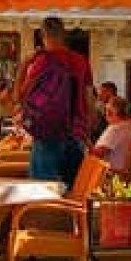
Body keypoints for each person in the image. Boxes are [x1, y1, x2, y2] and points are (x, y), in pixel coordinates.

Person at [21, 14, 93, 187]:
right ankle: (69, 215)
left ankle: (48, 214)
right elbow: (89, 98)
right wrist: (87, 130)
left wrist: (24, 65)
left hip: (47, 133)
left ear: (43, 36)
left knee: (43, 191)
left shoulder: (42, 61)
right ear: (64, 34)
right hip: (76, 132)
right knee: (73, 191)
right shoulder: (81, 61)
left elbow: (21, 96)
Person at [91, 96, 131, 175]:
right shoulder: (128, 127)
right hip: (121, 173)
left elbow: (99, 153)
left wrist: (86, 141)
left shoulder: (116, 129)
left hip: (110, 174)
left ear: (110, 112)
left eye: (107, 111)